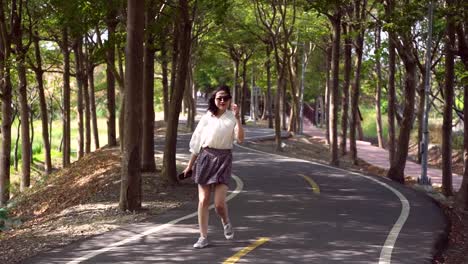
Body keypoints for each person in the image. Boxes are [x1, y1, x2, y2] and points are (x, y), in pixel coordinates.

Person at [183, 85, 244, 249]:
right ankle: (203, 237)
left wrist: (238, 118)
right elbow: (196, 143)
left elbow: (240, 139)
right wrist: (189, 166)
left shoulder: (232, 117)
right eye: (219, 98)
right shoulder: (207, 117)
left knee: (219, 204)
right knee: (203, 200)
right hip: (205, 158)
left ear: (229, 99)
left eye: (225, 98)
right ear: (214, 100)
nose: (222, 101)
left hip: (224, 160)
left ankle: (225, 221)